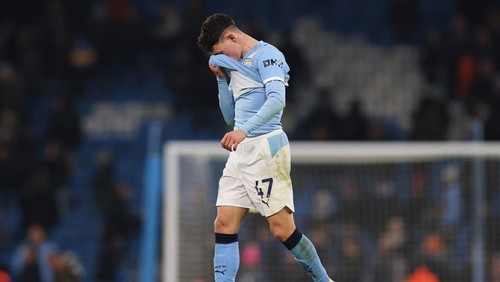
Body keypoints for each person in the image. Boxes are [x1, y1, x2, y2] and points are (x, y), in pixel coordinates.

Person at [197, 13, 334, 282]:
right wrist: (221, 80)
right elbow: (230, 117)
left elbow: (275, 102)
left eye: (222, 52)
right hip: (241, 150)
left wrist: (243, 131)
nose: (225, 58)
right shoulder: (234, 63)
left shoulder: (268, 56)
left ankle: (323, 281)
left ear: (232, 37)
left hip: (265, 148)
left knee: (282, 230)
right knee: (224, 222)